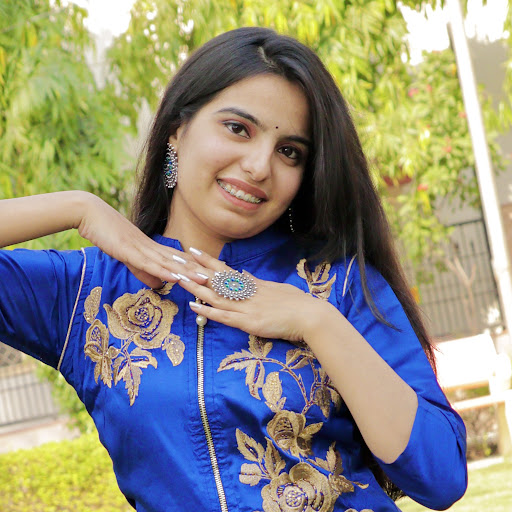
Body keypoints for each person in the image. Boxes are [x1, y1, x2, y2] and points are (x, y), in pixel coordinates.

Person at [0, 27, 467, 512]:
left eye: (290, 152)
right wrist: (77, 207)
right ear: (177, 131)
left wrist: (315, 320)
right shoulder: (85, 293)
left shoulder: (341, 284)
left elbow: (442, 477)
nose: (260, 166)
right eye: (238, 129)